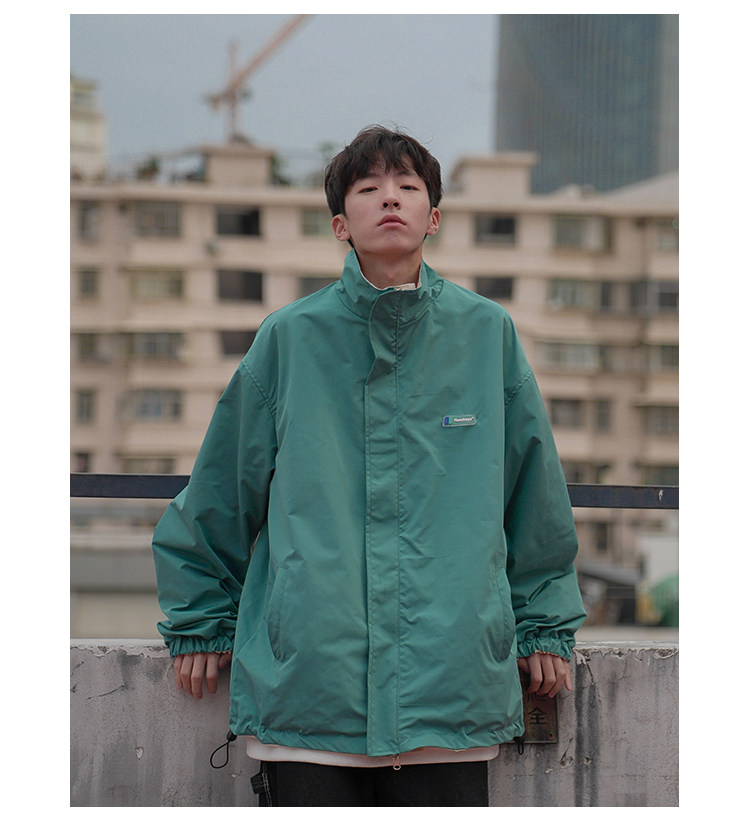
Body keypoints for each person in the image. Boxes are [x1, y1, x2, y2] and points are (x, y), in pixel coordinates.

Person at [152, 125, 587, 807]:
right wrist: (201, 621)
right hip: (311, 691)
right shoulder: (289, 338)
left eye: (408, 186)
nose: (390, 198)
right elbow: (221, 487)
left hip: (451, 689)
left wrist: (544, 627)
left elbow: (534, 495)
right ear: (340, 224)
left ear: (433, 216)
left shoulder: (486, 334)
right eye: (368, 188)